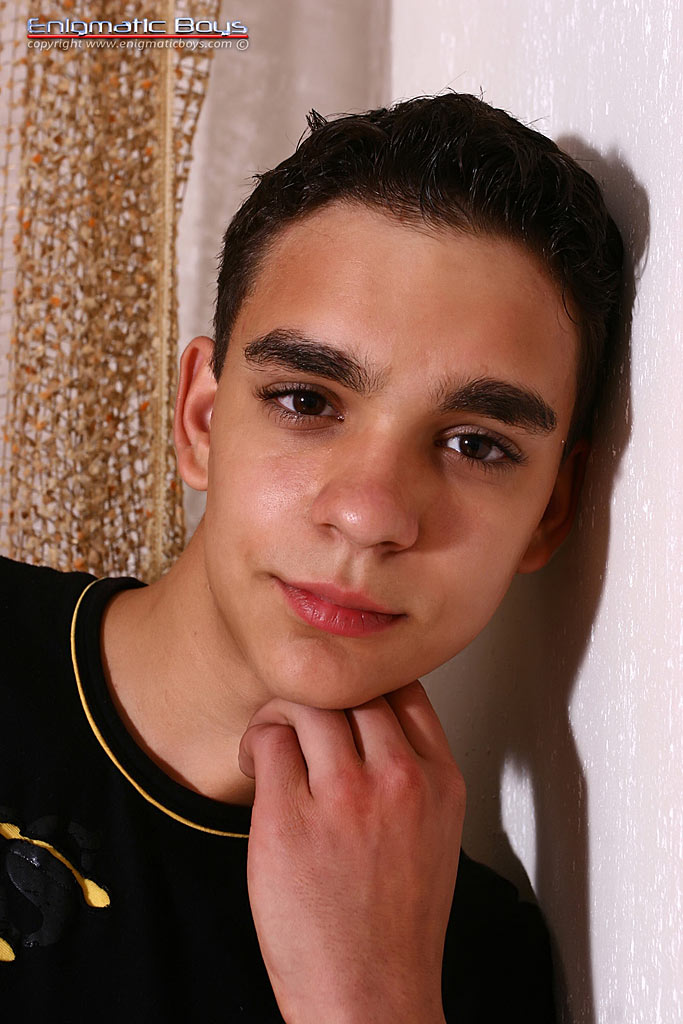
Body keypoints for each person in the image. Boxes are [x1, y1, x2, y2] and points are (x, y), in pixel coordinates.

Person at [0, 93, 623, 1021]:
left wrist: (367, 996)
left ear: (550, 514)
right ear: (201, 418)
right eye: (306, 401)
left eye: (476, 445)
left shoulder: (471, 970)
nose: (370, 516)